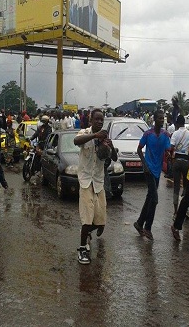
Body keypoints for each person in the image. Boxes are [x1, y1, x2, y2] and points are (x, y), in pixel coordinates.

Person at [74, 109, 117, 264]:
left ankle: (85, 234)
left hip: (98, 182)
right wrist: (94, 136)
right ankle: (82, 249)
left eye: (102, 120)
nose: (99, 122)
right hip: (85, 181)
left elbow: (114, 157)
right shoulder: (85, 133)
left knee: (100, 221)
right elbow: (76, 141)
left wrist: (110, 147)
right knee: (87, 217)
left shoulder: (105, 137)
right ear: (91, 120)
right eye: (97, 119)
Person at [133, 110, 171, 240]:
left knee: (150, 197)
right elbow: (139, 149)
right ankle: (147, 228)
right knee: (154, 199)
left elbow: (167, 150)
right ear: (154, 119)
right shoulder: (147, 134)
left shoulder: (166, 135)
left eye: (163, 118)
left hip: (157, 169)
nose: (162, 120)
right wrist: (144, 165)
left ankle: (139, 223)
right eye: (159, 118)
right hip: (148, 169)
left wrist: (169, 155)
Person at [170, 115, 189, 219]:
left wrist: (172, 157)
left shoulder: (175, 133)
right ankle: (185, 210)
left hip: (177, 161)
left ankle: (175, 212)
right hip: (186, 161)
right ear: (184, 123)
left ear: (177, 123)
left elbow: (171, 147)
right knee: (186, 186)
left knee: (176, 186)